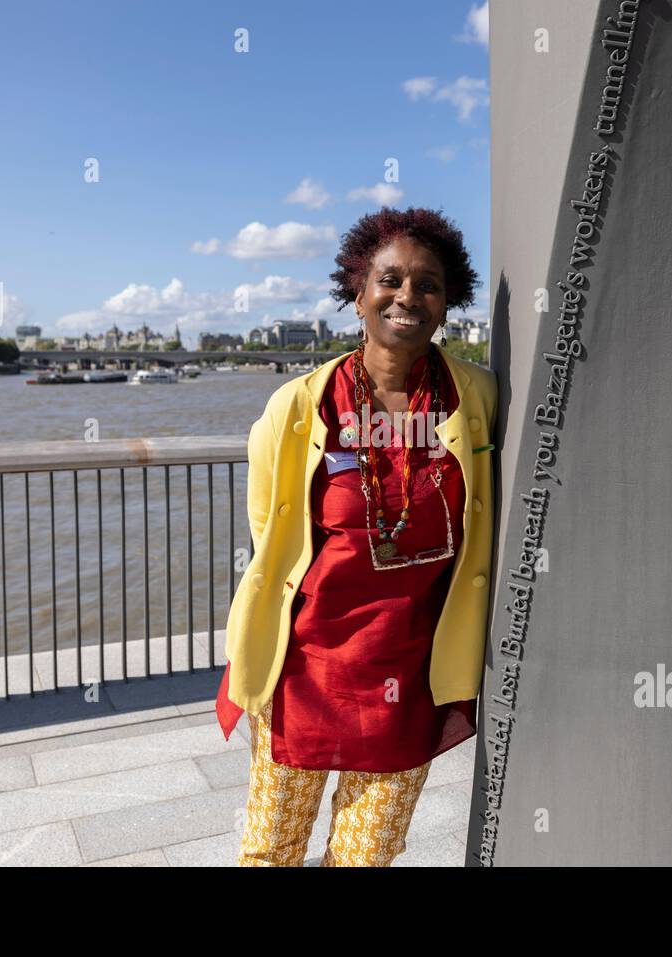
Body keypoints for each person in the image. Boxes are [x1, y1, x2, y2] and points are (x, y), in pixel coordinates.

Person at [215, 206, 498, 866]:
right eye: (389, 280)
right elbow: (271, 527)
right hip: (305, 672)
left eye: (428, 284)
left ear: (448, 300)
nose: (407, 297)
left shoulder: (476, 397)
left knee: (366, 857)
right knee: (270, 853)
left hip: (410, 671)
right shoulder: (300, 405)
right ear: (357, 292)